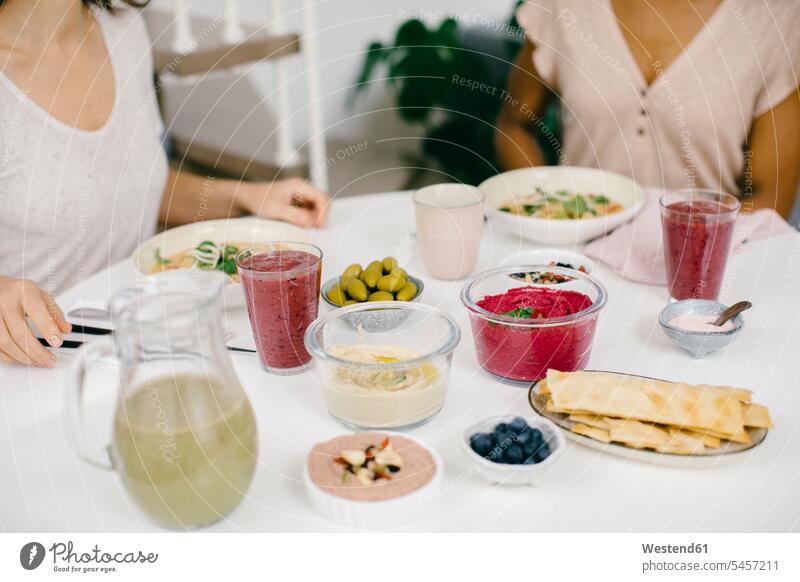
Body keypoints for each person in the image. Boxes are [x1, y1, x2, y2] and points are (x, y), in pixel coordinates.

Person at [0, 0, 329, 367]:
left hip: (148, 337)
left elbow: (131, 185)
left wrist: (249, 196)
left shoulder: (122, 28)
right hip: (37, 363)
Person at [496, 0, 800, 217]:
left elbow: (770, 196)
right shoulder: (566, 7)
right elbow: (514, 125)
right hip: (577, 268)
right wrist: (549, 211)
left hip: (703, 280)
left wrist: (698, 247)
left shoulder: (773, 19)